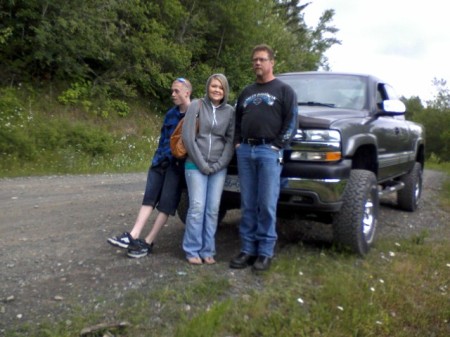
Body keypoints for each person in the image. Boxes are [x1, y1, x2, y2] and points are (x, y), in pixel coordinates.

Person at [229, 44, 298, 272]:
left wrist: (277, 146)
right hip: (246, 152)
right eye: (254, 60)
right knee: (247, 203)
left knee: (266, 204)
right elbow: (237, 121)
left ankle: (265, 252)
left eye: (261, 59)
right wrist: (238, 143)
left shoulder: (284, 91)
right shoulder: (246, 92)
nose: (257, 63)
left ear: (271, 62)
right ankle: (248, 249)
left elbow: (291, 122)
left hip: (269, 153)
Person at [107, 78, 192, 258]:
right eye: (172, 91)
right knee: (149, 199)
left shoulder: (194, 115)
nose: (173, 95)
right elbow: (163, 138)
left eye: (176, 91)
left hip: (177, 166)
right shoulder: (170, 114)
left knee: (166, 205)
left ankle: (148, 241)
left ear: (187, 92)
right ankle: (133, 235)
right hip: (160, 162)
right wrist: (157, 158)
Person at [181, 74, 235, 265]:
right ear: (208, 87)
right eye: (214, 86)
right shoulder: (196, 105)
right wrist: (202, 164)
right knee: (196, 207)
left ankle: (208, 250)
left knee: (212, 209)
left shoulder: (230, 111)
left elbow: (230, 141)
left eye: (221, 87)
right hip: (195, 164)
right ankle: (191, 249)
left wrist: (218, 165)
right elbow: (187, 137)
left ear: (225, 90)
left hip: (218, 168)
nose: (217, 90)